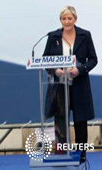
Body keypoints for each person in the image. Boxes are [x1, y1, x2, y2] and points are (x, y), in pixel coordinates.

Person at [43, 6, 97, 162]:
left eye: (69, 18)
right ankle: (61, 154)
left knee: (81, 121)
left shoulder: (84, 35)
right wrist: (56, 70)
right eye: (64, 19)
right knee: (60, 120)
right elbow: (46, 59)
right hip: (60, 85)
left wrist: (80, 69)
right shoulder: (53, 37)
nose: (67, 21)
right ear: (61, 20)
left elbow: (93, 59)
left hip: (79, 84)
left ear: (75, 19)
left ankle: (81, 154)